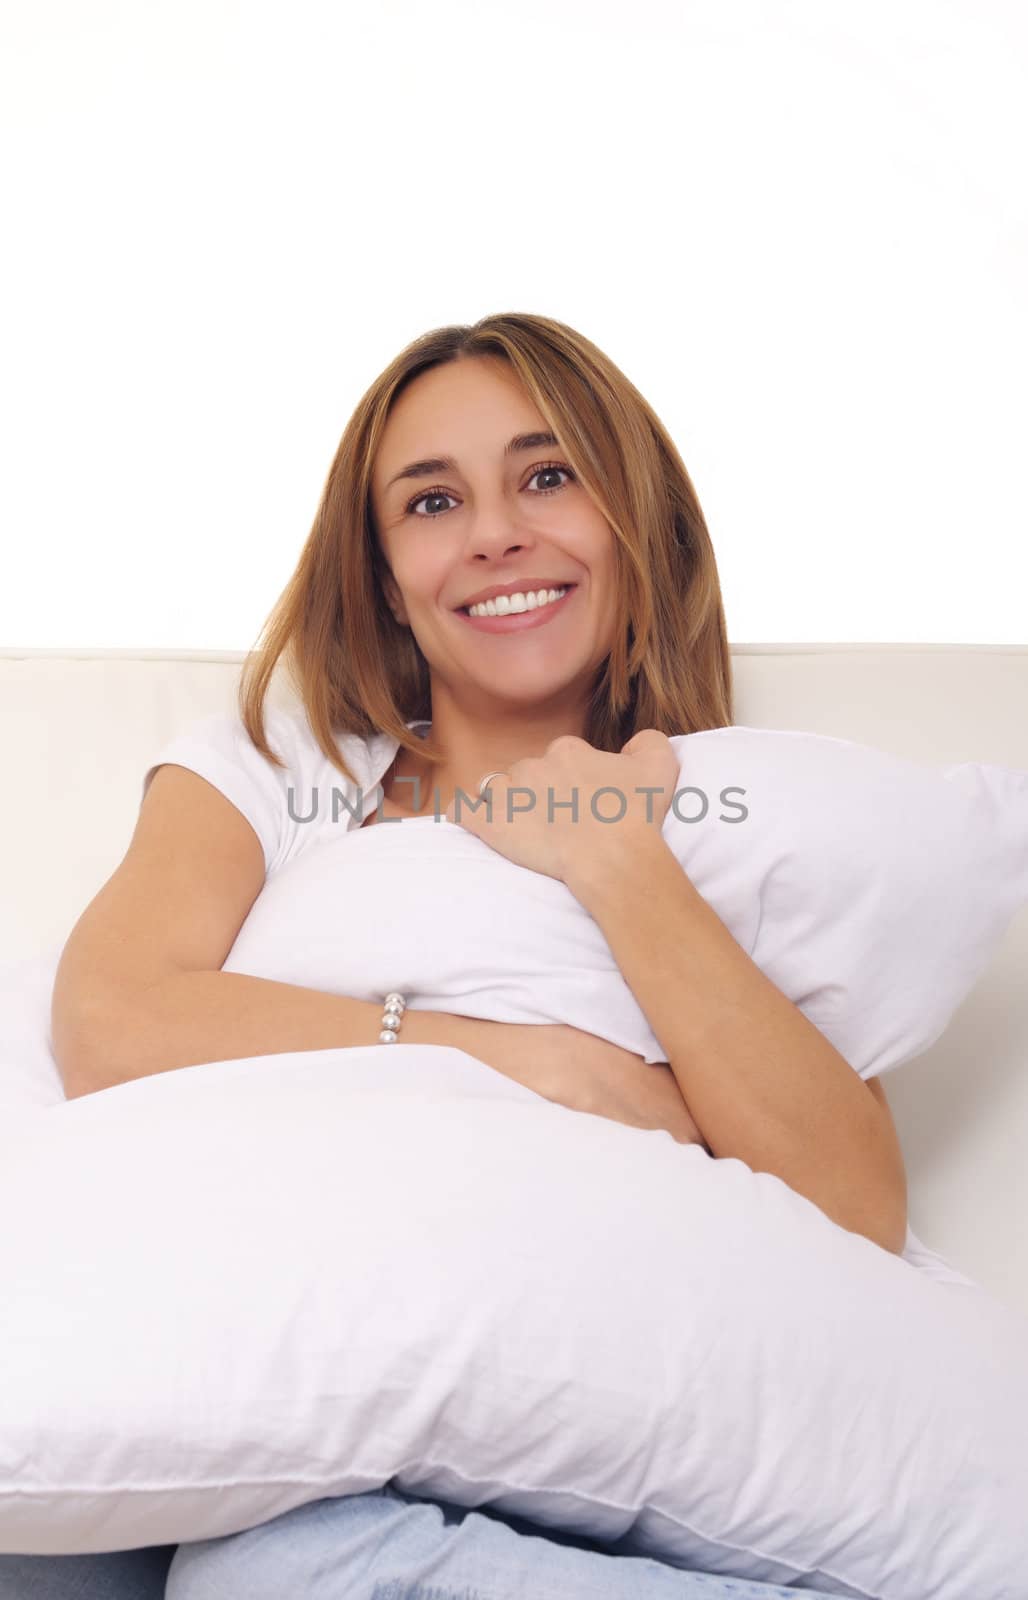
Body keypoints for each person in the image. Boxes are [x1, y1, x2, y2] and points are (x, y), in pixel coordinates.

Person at [18, 312, 902, 1598]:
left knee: (285, 1572)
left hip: (588, 1407)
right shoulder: (285, 770)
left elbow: (851, 1204)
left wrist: (614, 857)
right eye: (431, 502)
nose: (493, 532)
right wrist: (512, 1060)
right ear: (384, 575)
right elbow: (112, 1020)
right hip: (263, 1375)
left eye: (547, 476)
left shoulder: (740, 813)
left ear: (636, 522)